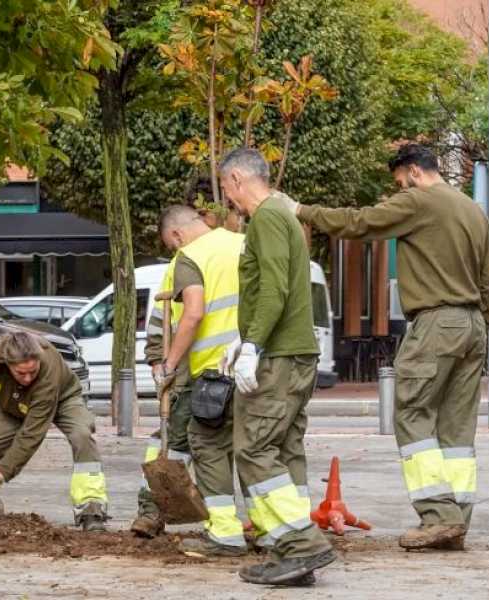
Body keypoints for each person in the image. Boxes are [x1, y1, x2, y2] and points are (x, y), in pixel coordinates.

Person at [294, 144, 489, 551]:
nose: (399, 189)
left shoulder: (419, 201)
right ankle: (457, 520)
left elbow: (360, 223)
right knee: (457, 431)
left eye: (399, 182)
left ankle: (438, 516)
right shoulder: (472, 210)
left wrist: (301, 210)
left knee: (411, 412)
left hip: (436, 321)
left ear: (412, 172)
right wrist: (477, 327)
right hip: (473, 323)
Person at [219, 148, 336, 585]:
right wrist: (244, 337)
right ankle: (292, 550)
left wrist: (252, 343)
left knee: (253, 448)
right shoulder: (283, 217)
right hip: (294, 351)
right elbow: (280, 288)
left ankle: (301, 545)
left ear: (235, 179)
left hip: (280, 356)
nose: (228, 198)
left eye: (226, 188)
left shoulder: (266, 218)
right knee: (285, 451)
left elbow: (273, 289)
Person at [0, 331, 110, 532]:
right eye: (20, 373)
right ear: (6, 363)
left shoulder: (48, 372)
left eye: (32, 371)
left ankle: (91, 509)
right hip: (13, 405)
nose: (27, 377)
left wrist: (2, 472)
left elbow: (31, 434)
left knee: (81, 436)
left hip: (62, 400)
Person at [152, 205, 249, 557]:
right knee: (253, 449)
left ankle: (225, 532)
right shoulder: (243, 244)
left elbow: (192, 314)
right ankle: (272, 530)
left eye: (170, 245)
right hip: (253, 365)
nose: (173, 251)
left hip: (213, 373)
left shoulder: (188, 258)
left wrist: (169, 364)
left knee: (207, 445)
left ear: (177, 235)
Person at [130, 256, 193, 538]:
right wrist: (158, 361)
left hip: (214, 372)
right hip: (181, 376)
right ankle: (151, 509)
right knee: (165, 442)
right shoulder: (179, 266)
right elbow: (158, 327)